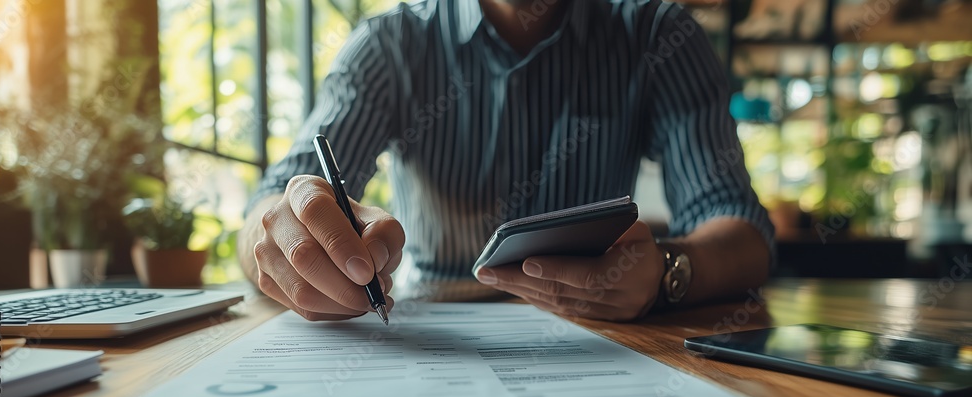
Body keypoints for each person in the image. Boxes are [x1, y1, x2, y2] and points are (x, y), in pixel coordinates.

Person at [238, 0, 774, 322]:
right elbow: (276, 203)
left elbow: (742, 230)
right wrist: (286, 238)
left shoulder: (660, 36)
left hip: (604, 337)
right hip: (434, 329)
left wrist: (666, 273)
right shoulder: (391, 47)